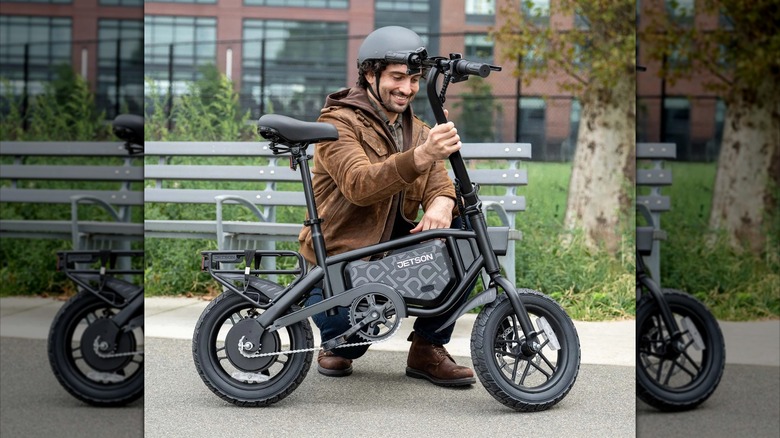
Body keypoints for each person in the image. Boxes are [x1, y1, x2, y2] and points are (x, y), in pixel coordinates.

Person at [299, 26, 475, 387]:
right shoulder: (336, 124)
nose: (407, 89)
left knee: (467, 239)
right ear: (369, 73)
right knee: (352, 343)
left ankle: (428, 348)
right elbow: (359, 185)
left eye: (413, 79)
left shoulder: (419, 130)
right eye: (397, 77)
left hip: (388, 257)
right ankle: (336, 344)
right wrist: (422, 155)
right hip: (338, 266)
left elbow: (440, 184)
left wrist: (442, 204)